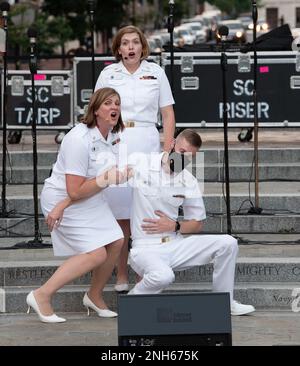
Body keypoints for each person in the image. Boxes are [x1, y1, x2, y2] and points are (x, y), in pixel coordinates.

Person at [26, 88, 132, 323]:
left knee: (116, 240)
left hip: (86, 197)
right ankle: (41, 295)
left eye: (117, 103)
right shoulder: (78, 139)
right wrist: (62, 204)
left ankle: (94, 295)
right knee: (96, 254)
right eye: (107, 103)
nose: (114, 107)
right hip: (62, 197)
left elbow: (95, 181)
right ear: (95, 110)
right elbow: (74, 189)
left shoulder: (114, 137)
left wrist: (121, 175)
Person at [127, 129, 256, 316]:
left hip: (175, 244)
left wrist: (175, 226)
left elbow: (196, 224)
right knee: (163, 276)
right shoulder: (142, 162)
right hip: (145, 247)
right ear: (171, 144)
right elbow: (112, 174)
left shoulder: (189, 180)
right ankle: (132, 302)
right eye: (181, 152)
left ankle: (224, 302)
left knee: (228, 242)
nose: (183, 159)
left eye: (189, 157)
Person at [95, 25, 175, 292]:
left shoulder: (156, 72)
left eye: (135, 43)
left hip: (148, 142)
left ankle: (144, 272)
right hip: (117, 142)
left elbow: (167, 115)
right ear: (118, 48)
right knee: (120, 214)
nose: (130, 47)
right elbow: (97, 111)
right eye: (125, 43)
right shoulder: (109, 73)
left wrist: (167, 151)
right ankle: (120, 274)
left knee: (144, 210)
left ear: (143, 47)